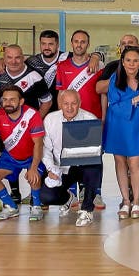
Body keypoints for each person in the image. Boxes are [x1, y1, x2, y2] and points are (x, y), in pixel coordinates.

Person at [102, 45, 139, 219]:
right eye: (128, 60)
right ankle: (125, 201)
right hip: (118, 125)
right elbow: (114, 106)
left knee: (134, 162)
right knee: (120, 162)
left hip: (137, 125)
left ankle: (137, 201)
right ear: (122, 62)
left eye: (135, 60)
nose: (131, 64)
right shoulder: (115, 79)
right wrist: (137, 98)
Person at [40, 89, 103, 228]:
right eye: (66, 103)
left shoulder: (90, 118)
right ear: (60, 104)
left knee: (95, 166)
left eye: (74, 103)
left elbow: (96, 149)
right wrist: (51, 169)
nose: (69, 107)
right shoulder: (50, 119)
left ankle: (87, 209)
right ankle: (69, 198)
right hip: (61, 167)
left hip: (84, 166)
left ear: (80, 103)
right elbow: (46, 149)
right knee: (46, 196)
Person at [0, 86, 46, 221]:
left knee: (34, 177)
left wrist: (34, 168)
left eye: (12, 100)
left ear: (21, 101)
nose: (8, 103)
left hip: (31, 156)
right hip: (11, 157)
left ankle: (36, 206)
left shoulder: (32, 114)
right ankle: (11, 207)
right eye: (5, 100)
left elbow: (38, 144)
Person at [54, 29, 104, 119]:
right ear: (71, 43)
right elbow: (60, 93)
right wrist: (61, 116)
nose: (79, 45)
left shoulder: (99, 66)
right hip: (70, 117)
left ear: (88, 44)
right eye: (76, 41)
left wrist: (104, 117)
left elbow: (103, 94)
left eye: (83, 42)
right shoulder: (62, 66)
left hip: (93, 117)